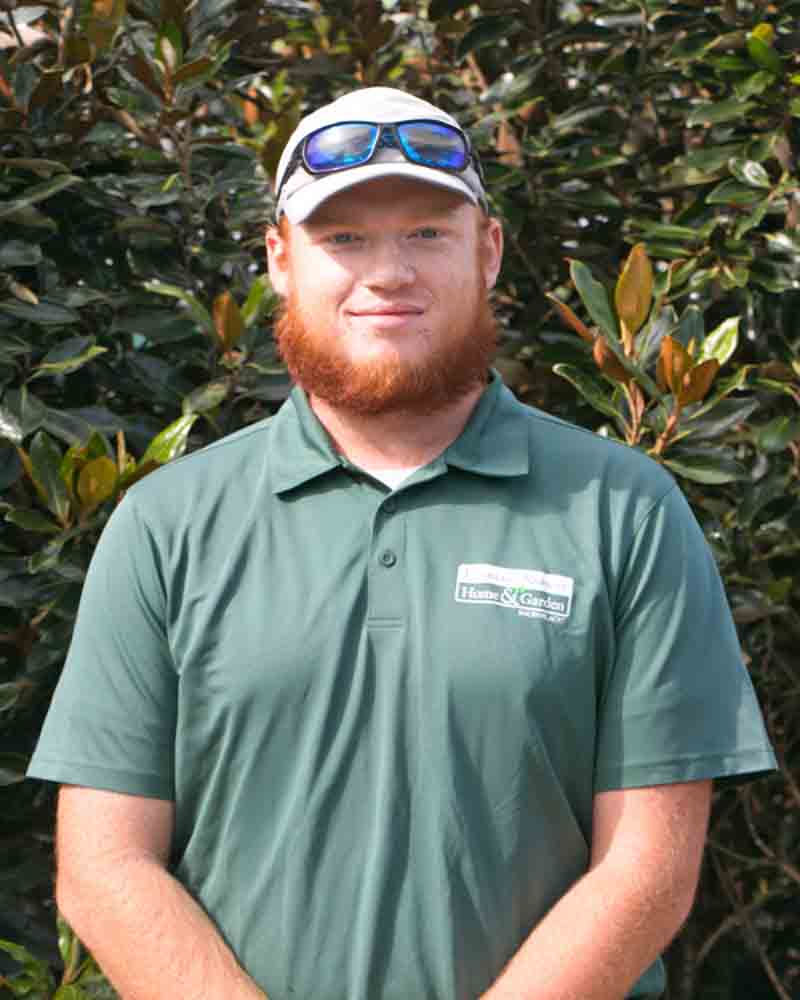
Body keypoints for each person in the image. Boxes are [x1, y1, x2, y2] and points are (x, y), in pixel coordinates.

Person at [28, 87, 776, 1000]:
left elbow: (647, 869)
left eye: (427, 232)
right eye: (343, 239)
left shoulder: (626, 510)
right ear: (279, 260)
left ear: (488, 251)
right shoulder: (165, 524)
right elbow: (103, 867)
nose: (389, 273)